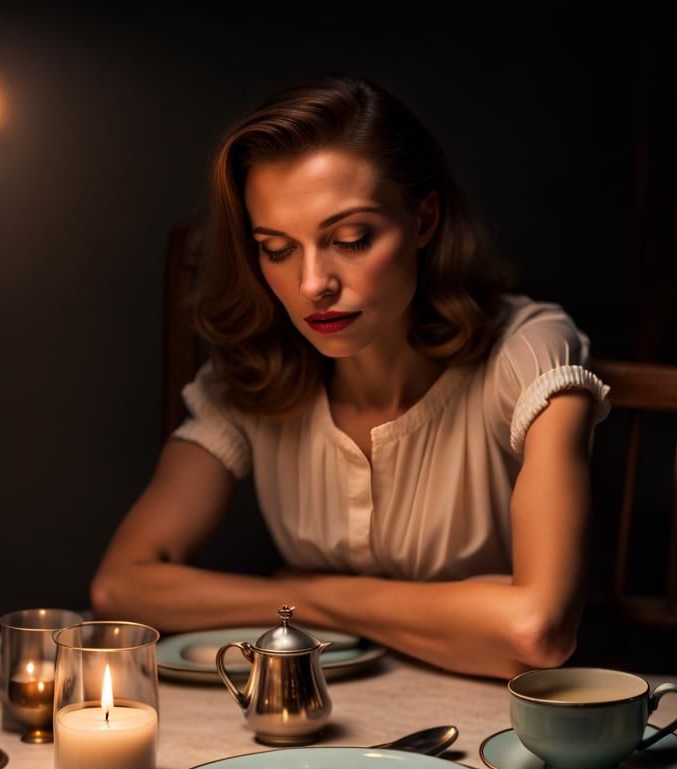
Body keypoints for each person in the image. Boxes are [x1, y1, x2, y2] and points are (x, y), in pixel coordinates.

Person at [90, 71, 611, 680]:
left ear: (423, 221)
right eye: (277, 249)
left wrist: (308, 596)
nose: (313, 285)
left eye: (351, 238)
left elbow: (536, 631)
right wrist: (309, 602)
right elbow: (120, 589)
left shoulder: (529, 353)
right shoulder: (252, 376)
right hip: (319, 719)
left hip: (500, 730)